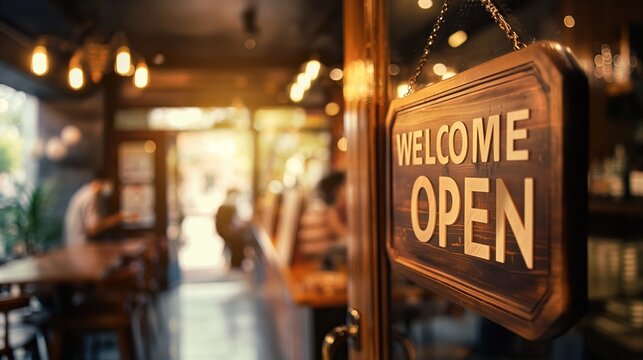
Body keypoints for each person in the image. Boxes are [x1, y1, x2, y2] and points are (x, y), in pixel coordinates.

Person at [64, 171, 126, 246]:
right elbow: (93, 228)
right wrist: (116, 218)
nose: (108, 187)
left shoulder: (83, 193)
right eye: (107, 183)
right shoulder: (90, 197)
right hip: (82, 247)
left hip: (74, 244)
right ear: (98, 182)